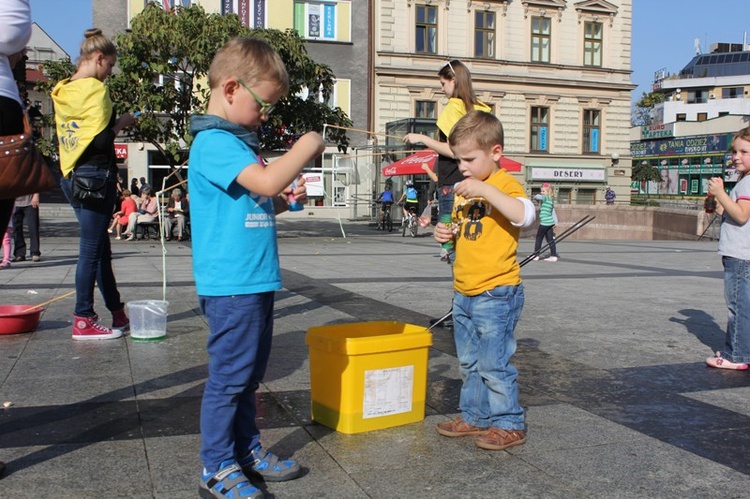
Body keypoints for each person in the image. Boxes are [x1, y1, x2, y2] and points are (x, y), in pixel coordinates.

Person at [188, 37, 325, 498]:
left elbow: (259, 196)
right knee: (229, 379)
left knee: (248, 375)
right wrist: (307, 144)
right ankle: (217, 465)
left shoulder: (238, 144)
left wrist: (285, 201)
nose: (266, 115)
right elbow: (265, 180)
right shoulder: (214, 142)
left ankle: (245, 450)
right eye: (263, 104)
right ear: (231, 88)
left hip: (254, 278)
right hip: (232, 284)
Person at [432, 110, 535, 451]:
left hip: (496, 291)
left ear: (495, 152)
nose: (462, 166)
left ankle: (509, 422)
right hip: (464, 291)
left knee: (494, 363)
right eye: (459, 159)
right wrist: (446, 232)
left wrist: (484, 189)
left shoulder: (503, 184)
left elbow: (525, 215)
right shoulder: (466, 190)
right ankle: (475, 416)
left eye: (469, 159)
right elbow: (467, 234)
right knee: (470, 362)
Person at [52, 28, 137, 340]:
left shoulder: (63, 90)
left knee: (100, 250)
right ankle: (83, 317)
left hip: (71, 175)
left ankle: (117, 313)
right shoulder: (96, 91)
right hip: (96, 178)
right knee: (90, 251)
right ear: (99, 59)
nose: (110, 73)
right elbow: (101, 140)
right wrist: (121, 124)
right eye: (110, 66)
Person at [404, 60, 491, 261]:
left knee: (450, 242)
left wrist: (422, 139)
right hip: (475, 182)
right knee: (471, 236)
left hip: (451, 182)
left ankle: (462, 287)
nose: (442, 89)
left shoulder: (453, 108)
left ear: (453, 80)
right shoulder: (479, 109)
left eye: (443, 84)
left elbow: (455, 151)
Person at [705, 126, 750, 370]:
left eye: (744, 151)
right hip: (745, 254)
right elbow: (737, 214)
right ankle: (743, 350)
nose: (736, 156)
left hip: (740, 255)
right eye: (735, 151)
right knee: (745, 305)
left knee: (737, 306)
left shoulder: (747, 183)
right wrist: (721, 204)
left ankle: (736, 356)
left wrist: (721, 193)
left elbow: (742, 216)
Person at [532, 183, 558, 262]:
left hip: (545, 222)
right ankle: (553, 255)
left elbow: (536, 197)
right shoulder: (551, 200)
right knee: (550, 239)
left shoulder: (546, 198)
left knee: (539, 238)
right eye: (541, 191)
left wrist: (538, 196)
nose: (541, 193)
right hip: (550, 222)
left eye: (543, 191)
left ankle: (536, 255)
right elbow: (553, 212)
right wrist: (555, 222)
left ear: (548, 192)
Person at [11, 192, 41, 262]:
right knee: (16, 228)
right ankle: (19, 253)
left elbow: (36, 182)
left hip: (30, 202)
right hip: (14, 203)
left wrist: (36, 196)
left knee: (33, 227)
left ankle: (35, 252)